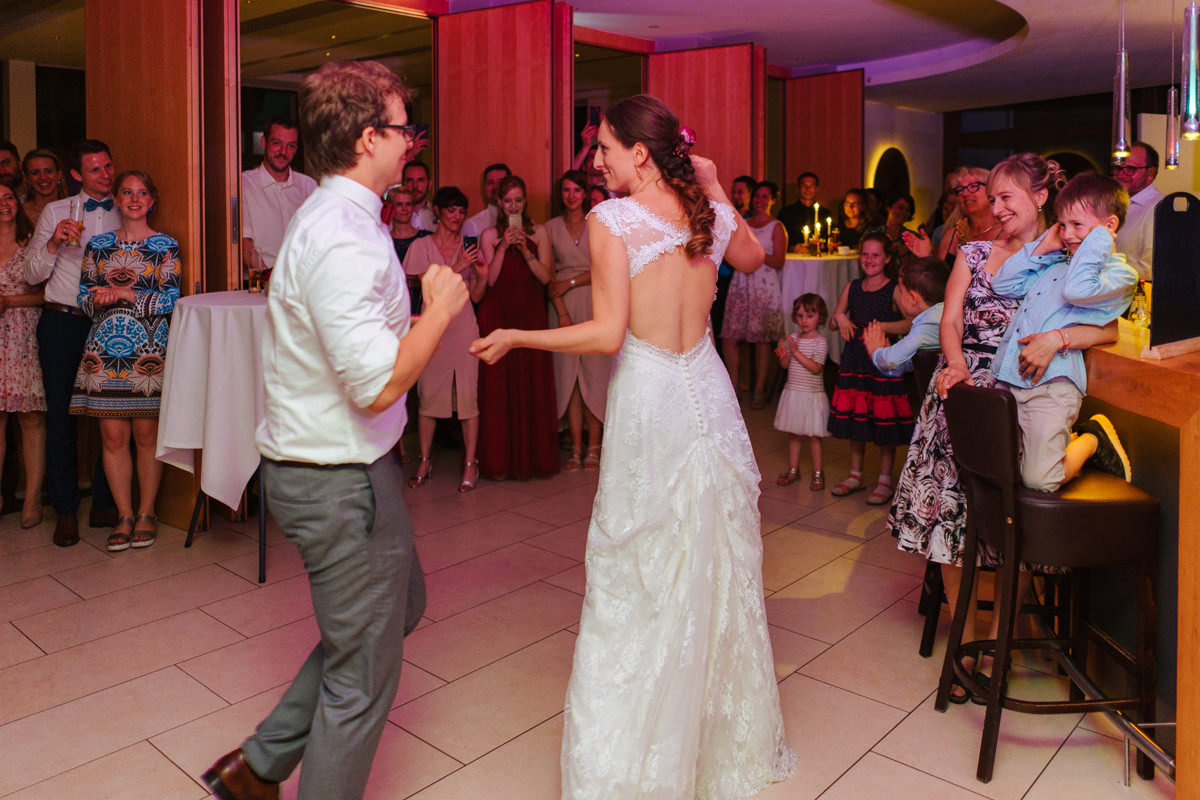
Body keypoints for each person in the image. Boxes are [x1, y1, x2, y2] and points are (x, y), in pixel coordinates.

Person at [470, 93, 794, 800]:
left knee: (637, 570)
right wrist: (709, 183)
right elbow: (756, 253)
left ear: (639, 153)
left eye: (606, 149)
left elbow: (608, 332)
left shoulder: (610, 218)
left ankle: (641, 757)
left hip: (651, 396)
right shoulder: (702, 211)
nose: (597, 161)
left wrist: (523, 336)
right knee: (706, 557)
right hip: (706, 391)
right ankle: (706, 744)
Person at [203, 60, 468, 800]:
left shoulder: (343, 217)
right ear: (363, 138)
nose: (411, 140)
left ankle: (258, 764)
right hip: (335, 478)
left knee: (398, 610)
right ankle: (261, 771)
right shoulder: (343, 237)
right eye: (400, 126)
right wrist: (439, 310)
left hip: (355, 463)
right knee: (361, 679)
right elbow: (377, 381)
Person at [889, 154, 1116, 701]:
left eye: (1005, 196)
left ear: (1040, 197)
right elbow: (948, 318)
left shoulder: (1070, 256)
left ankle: (998, 644)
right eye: (991, 198)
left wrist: (1057, 341)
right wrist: (956, 363)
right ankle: (962, 646)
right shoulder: (972, 253)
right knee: (949, 524)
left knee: (1010, 525)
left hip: (1019, 398)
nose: (995, 207)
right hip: (962, 396)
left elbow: (1104, 328)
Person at [989, 171, 1137, 490]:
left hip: (1052, 388)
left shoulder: (1121, 274)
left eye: (1077, 225)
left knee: (1041, 479)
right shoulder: (1056, 265)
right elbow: (1002, 284)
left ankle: (1091, 440)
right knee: (1003, 468)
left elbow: (1078, 291)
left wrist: (1097, 241)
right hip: (1010, 380)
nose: (1068, 234)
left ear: (1109, 227)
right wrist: (1044, 246)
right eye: (1062, 225)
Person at [70, 170, 180, 551]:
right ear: (117, 199)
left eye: (142, 193)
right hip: (103, 351)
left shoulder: (166, 245)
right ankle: (124, 515)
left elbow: (170, 300)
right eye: (127, 192)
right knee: (112, 436)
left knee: (146, 435)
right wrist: (97, 299)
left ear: (152, 201)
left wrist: (126, 293)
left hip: (148, 351)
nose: (135, 199)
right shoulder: (97, 245)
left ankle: (147, 512)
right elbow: (83, 295)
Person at [23, 138, 118, 547]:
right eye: (95, 169)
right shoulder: (55, 211)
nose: (106, 175)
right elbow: (30, 273)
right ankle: (64, 509)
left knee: (110, 416)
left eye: (108, 166)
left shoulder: (126, 209)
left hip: (110, 323)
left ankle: (104, 501)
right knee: (61, 417)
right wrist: (52, 242)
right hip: (62, 321)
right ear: (77, 174)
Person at [403, 186, 488, 492]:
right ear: (437, 211)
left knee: (468, 398)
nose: (457, 216)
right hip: (433, 325)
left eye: (461, 211)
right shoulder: (422, 245)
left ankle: (470, 463)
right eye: (451, 210)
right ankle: (424, 460)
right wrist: (459, 267)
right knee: (429, 395)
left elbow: (476, 295)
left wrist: (483, 276)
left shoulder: (470, 248)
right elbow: (425, 287)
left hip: (464, 324)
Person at [476, 174, 559, 480]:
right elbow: (492, 280)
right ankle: (500, 462)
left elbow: (547, 278)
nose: (513, 205)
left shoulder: (539, 232)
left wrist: (525, 250)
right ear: (500, 202)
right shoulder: (487, 234)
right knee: (500, 385)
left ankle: (532, 460)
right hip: (500, 312)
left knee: (531, 380)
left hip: (530, 311)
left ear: (525, 202)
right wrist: (500, 249)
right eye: (507, 200)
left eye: (518, 200)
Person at [827, 231, 913, 505]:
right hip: (855, 361)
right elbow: (832, 321)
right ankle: (856, 474)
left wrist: (883, 327)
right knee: (858, 416)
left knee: (883, 417)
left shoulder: (894, 289)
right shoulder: (852, 287)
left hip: (881, 360)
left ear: (887, 258)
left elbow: (912, 323)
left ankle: (885, 480)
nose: (869, 259)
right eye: (865, 254)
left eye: (876, 255)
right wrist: (840, 316)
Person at [545, 169, 610, 470]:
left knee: (595, 376)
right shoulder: (550, 227)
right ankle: (574, 446)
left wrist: (570, 283)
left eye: (577, 191)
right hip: (562, 309)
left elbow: (604, 267)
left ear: (586, 194)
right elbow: (548, 276)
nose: (571, 196)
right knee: (568, 378)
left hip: (594, 300)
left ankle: (594, 446)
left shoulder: (599, 223)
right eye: (566, 190)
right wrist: (561, 308)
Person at [0, 182, 47, 528]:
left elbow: (50, 294)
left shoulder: (33, 246)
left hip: (25, 337)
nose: (3, 204)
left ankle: (32, 498)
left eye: (7, 198)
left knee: (30, 418)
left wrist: (9, 302)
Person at [721, 180, 786, 409]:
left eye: (765, 197)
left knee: (761, 340)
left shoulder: (776, 226)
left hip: (764, 285)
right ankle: (734, 387)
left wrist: (757, 254)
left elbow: (779, 261)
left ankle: (759, 389)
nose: (760, 200)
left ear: (773, 200)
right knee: (729, 337)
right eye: (757, 196)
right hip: (741, 282)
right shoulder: (743, 222)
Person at [240, 118, 318, 270]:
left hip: (302, 284)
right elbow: (246, 246)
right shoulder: (244, 184)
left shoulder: (309, 186)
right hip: (260, 285)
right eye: (277, 143)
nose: (283, 152)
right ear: (264, 142)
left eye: (290, 146)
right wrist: (271, 283)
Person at [774, 293, 829, 490]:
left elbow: (816, 368)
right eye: (800, 316)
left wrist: (796, 352)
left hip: (811, 395)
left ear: (820, 317)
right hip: (794, 392)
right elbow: (786, 365)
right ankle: (793, 470)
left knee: (814, 436)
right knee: (794, 434)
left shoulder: (820, 341)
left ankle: (817, 473)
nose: (804, 321)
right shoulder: (794, 338)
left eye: (809, 315)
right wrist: (783, 355)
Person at [861, 255, 949, 377]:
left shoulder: (926, 327)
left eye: (901, 291)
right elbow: (907, 363)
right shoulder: (944, 313)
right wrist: (894, 351)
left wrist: (876, 351)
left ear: (913, 298)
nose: (898, 293)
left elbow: (889, 361)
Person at [905, 167, 998, 266]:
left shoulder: (1005, 234)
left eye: (973, 186)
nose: (965, 194)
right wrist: (928, 256)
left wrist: (968, 246)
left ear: (991, 189)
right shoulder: (951, 236)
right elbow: (940, 279)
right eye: (961, 190)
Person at [713, 174, 756, 340]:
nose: (735, 196)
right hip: (722, 276)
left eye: (740, 192)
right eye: (734, 192)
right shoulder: (725, 215)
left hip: (741, 277)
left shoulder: (750, 221)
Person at [1113, 141, 1163, 280]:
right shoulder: (1115, 204)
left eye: (1130, 169)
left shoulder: (1158, 208)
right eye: (1118, 168)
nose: (1121, 175)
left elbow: (1150, 269)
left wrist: (1104, 267)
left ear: (1150, 172)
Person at [386, 186, 430, 313]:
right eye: (399, 204)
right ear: (391, 207)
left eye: (408, 204)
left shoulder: (427, 237)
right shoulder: (384, 241)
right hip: (392, 307)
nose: (404, 209)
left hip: (422, 306)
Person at [462, 162, 511, 239]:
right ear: (484, 188)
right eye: (490, 183)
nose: (495, 187)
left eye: (500, 182)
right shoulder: (472, 225)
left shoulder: (526, 223)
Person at [21, 149, 68, 225]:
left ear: (59, 174)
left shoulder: (73, 209)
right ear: (27, 178)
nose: (43, 177)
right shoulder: (20, 213)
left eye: (48, 171)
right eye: (35, 173)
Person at [778, 170, 819, 248]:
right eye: (804, 185)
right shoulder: (786, 212)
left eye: (812, 186)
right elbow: (779, 240)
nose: (808, 189)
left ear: (817, 188)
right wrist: (792, 248)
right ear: (798, 188)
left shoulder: (825, 213)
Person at [403, 160, 436, 232]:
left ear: (429, 184)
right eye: (409, 180)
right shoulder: (391, 217)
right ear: (403, 184)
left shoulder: (438, 215)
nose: (415, 185)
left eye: (420, 180)